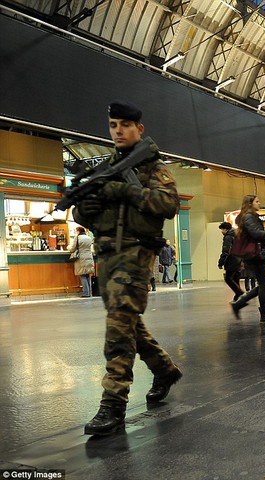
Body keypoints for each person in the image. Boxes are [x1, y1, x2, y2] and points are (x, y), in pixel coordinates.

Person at [73, 101, 182, 436]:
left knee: (118, 328)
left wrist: (126, 189)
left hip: (136, 256)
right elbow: (86, 215)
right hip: (106, 256)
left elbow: (168, 204)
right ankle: (164, 369)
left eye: (125, 125)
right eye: (113, 125)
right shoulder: (104, 166)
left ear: (139, 129)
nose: (118, 131)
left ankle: (113, 404)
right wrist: (84, 210)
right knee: (128, 323)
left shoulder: (152, 167)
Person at [230, 195, 265, 322]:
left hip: (255, 254)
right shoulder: (249, 217)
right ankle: (263, 314)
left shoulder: (249, 216)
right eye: (257, 201)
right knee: (263, 284)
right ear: (250, 204)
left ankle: (239, 304)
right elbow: (256, 234)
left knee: (263, 283)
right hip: (255, 254)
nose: (260, 203)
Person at [218, 222, 243, 301]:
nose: (221, 231)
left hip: (232, 260)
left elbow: (226, 250)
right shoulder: (237, 235)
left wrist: (221, 262)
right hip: (239, 259)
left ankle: (239, 293)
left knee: (228, 278)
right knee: (236, 278)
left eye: (222, 229)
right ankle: (238, 297)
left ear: (225, 229)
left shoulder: (228, 237)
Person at [68, 226, 94, 297]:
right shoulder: (89, 238)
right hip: (89, 257)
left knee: (82, 275)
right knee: (87, 276)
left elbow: (72, 249)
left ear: (78, 231)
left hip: (81, 258)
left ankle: (86, 293)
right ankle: (89, 293)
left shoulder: (77, 237)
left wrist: (68, 247)